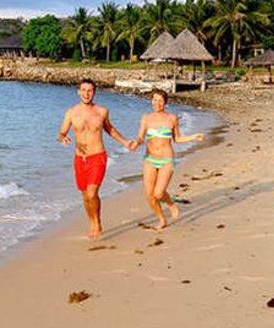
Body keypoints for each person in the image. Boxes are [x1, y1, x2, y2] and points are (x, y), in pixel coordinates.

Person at [58, 79, 136, 239]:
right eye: (83, 90)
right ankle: (92, 221)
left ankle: (97, 222)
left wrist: (125, 142)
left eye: (90, 90)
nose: (86, 94)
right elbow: (62, 132)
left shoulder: (102, 111)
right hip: (80, 159)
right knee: (86, 196)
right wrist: (63, 138)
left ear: (94, 92)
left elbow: (110, 129)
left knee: (92, 193)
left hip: (97, 156)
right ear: (78, 92)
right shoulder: (71, 112)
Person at [135, 89, 204, 229]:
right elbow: (141, 137)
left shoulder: (171, 118)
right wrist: (135, 143)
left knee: (159, 193)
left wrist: (193, 137)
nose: (157, 103)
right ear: (151, 100)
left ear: (165, 102)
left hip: (166, 159)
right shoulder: (146, 118)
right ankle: (161, 219)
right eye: (154, 100)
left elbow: (177, 139)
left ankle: (171, 204)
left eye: (160, 100)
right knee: (150, 195)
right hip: (149, 159)